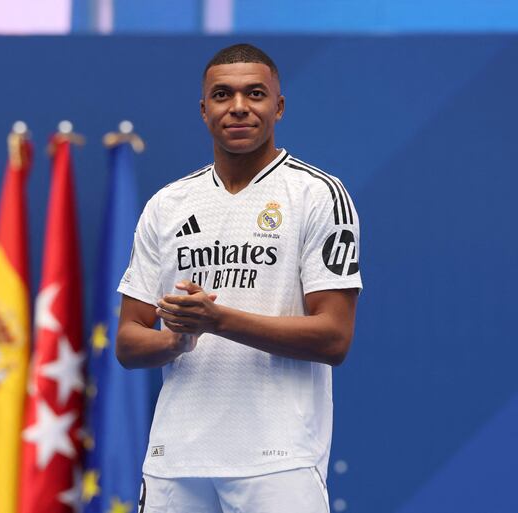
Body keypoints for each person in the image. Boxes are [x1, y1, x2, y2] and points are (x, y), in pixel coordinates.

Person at [116, 43, 362, 513]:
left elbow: (334, 338)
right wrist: (175, 341)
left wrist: (216, 319)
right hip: (174, 461)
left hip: (279, 461)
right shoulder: (167, 205)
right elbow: (128, 341)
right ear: (204, 108)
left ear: (279, 106)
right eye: (223, 95)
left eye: (255, 94)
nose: (239, 107)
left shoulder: (317, 195)